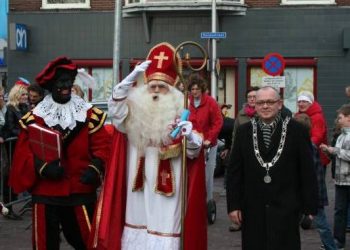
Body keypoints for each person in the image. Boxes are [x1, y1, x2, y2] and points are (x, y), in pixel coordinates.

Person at [91, 42, 206, 250]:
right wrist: (128, 81)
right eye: (151, 86)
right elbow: (116, 114)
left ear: (171, 89)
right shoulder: (135, 110)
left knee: (166, 226)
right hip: (137, 184)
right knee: (137, 226)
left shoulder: (182, 110)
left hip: (171, 186)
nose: (155, 91)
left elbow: (193, 152)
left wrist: (190, 137)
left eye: (161, 87)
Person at [8, 56, 110, 250]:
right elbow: (24, 154)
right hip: (46, 192)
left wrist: (96, 167)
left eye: (69, 82)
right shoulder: (34, 118)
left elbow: (103, 146)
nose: (66, 86)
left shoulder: (88, 114)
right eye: (61, 82)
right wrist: (43, 168)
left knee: (88, 242)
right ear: (51, 85)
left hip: (80, 190)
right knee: (45, 244)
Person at [227, 86, 318, 250]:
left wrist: (309, 207)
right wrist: (233, 205)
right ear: (255, 105)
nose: (265, 106)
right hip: (253, 207)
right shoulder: (243, 131)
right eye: (260, 102)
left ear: (280, 104)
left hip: (286, 207)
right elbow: (234, 172)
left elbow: (307, 171)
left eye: (270, 102)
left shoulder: (297, 131)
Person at [294, 113, 338, 250]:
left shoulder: (306, 147)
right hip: (309, 191)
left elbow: (308, 173)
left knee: (322, 224)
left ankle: (331, 247)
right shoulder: (306, 145)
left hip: (311, 191)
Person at [187, 73, 223, 209]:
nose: (194, 92)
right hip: (191, 144)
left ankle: (207, 201)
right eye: (192, 89)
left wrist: (210, 138)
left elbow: (217, 122)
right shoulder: (186, 102)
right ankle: (191, 201)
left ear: (202, 89)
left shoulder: (210, 102)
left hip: (207, 144)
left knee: (207, 175)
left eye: (197, 89)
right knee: (190, 174)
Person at [228, 86, 259, 232]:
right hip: (243, 156)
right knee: (240, 187)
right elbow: (235, 135)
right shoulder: (241, 115)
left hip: (259, 157)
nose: (252, 99)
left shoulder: (262, 114)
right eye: (250, 97)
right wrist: (233, 152)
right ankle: (238, 219)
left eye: (254, 97)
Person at [320, 104, 350, 250]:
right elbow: (337, 156)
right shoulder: (341, 136)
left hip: (348, 179)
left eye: (340, 118)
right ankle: (338, 241)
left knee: (342, 211)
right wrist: (328, 151)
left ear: (349, 118)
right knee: (339, 211)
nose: (338, 120)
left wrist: (335, 150)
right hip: (341, 180)